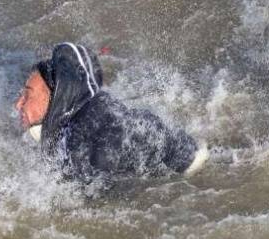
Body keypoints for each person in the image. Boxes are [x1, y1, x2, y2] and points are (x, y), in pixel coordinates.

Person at [15, 42, 208, 182]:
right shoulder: (72, 121)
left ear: (57, 96)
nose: (18, 104)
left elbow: (141, 128)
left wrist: (185, 158)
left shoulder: (99, 132)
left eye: (27, 94)